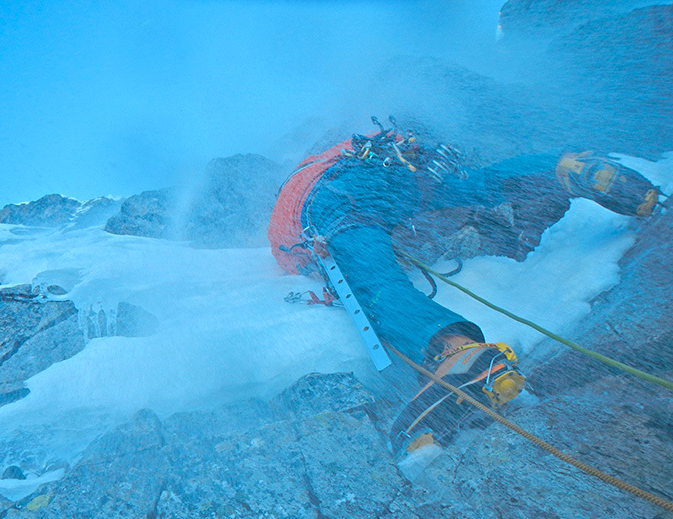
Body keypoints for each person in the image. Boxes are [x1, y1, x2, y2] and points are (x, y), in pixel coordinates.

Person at [268, 118, 660, 458]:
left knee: (375, 281)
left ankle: (456, 352)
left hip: (333, 200)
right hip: (399, 165)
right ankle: (561, 168)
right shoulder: (345, 149)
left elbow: (318, 258)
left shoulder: (295, 197)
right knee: (475, 185)